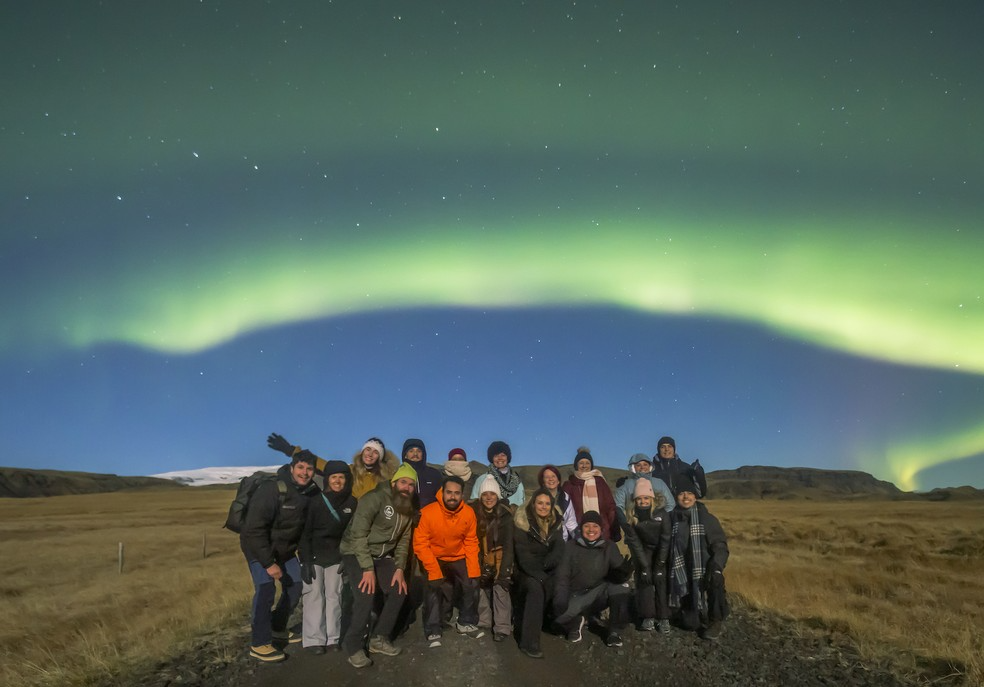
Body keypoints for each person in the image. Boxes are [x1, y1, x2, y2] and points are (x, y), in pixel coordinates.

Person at [240, 450, 320, 662]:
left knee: (296, 585)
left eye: (309, 469)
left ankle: (277, 626)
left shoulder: (308, 494)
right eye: (301, 467)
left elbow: (303, 531)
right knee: (266, 588)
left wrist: (305, 558)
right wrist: (268, 563)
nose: (305, 473)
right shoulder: (272, 490)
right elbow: (253, 530)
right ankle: (259, 643)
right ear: (292, 468)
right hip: (258, 548)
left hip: (285, 551)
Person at [338, 463, 418, 668]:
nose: (406, 487)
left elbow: (403, 543)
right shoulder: (373, 499)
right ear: (394, 483)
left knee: (399, 590)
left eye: (411, 484)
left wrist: (399, 569)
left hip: (381, 556)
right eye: (403, 482)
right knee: (366, 594)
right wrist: (367, 569)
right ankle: (353, 646)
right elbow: (358, 536)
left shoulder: (408, 507)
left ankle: (379, 638)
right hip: (355, 552)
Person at [413, 476, 485, 647]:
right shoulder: (428, 512)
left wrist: (474, 569)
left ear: (462, 495)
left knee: (472, 582)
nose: (452, 496)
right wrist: (433, 569)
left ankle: (465, 622)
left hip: (458, 556)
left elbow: (471, 541)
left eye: (457, 493)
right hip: (434, 556)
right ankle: (433, 629)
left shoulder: (468, 512)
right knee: (433, 586)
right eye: (449, 492)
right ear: (442, 492)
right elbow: (421, 544)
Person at [298, 460, 357, 653]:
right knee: (314, 595)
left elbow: (352, 533)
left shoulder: (352, 502)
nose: (338, 481)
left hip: (338, 556)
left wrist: (347, 558)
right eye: (334, 477)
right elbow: (304, 533)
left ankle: (333, 638)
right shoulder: (315, 501)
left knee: (335, 595)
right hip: (314, 555)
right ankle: (314, 640)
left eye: (342, 477)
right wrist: (305, 560)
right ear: (327, 480)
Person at [553, 511, 633, 648]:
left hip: (598, 592)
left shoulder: (609, 546)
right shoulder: (570, 547)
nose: (591, 530)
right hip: (576, 595)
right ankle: (576, 621)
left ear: (601, 529)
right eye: (587, 526)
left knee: (621, 586)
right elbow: (562, 576)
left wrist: (624, 571)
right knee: (557, 617)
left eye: (595, 526)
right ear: (580, 529)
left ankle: (614, 632)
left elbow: (619, 571)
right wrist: (560, 598)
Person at [669, 476, 730, 640]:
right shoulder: (672, 519)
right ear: (676, 496)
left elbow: (720, 546)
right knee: (690, 624)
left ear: (695, 496)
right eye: (682, 493)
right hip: (685, 575)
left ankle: (716, 618)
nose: (686, 497)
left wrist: (717, 566)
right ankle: (687, 607)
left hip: (705, 570)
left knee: (715, 580)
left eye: (690, 493)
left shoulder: (706, 518)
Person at [512, 488, 565, 659]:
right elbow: (523, 556)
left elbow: (558, 549)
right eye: (540, 503)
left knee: (562, 583)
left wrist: (548, 566)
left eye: (547, 503)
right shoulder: (522, 523)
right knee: (535, 588)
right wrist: (540, 574)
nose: (543, 507)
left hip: (547, 567)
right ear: (533, 504)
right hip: (525, 571)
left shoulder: (556, 523)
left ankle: (553, 622)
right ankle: (529, 642)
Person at [265, 433, 397, 499]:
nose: (370, 454)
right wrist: (291, 450)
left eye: (375, 452)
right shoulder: (350, 470)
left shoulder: (386, 478)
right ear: (362, 452)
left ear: (379, 457)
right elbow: (325, 465)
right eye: (368, 449)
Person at [619, 478, 672, 634]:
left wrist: (660, 564)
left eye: (646, 498)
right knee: (645, 579)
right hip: (643, 552)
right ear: (634, 500)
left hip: (662, 551)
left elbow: (666, 539)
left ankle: (664, 617)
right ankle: (647, 616)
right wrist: (644, 566)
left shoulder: (662, 514)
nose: (643, 501)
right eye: (639, 499)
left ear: (652, 498)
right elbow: (635, 544)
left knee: (660, 579)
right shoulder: (631, 517)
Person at [469, 474, 515, 642]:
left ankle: (502, 626)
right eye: (485, 494)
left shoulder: (506, 516)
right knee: (478, 586)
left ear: (498, 496)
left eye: (492, 494)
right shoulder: (474, 514)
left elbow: (509, 544)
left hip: (501, 555)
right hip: (481, 555)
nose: (489, 498)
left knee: (500, 586)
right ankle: (484, 620)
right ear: (480, 496)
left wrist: (506, 568)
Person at [562, 447, 619, 541]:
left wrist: (615, 531)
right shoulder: (569, 485)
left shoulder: (600, 482)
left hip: (602, 532)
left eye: (587, 463)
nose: (584, 466)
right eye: (581, 463)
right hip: (577, 534)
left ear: (591, 465)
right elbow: (565, 511)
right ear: (576, 465)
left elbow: (610, 507)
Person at [471, 440, 525, 508]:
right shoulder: (482, 479)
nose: (500, 458)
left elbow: (522, 503)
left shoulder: (517, 481)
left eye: (503, 455)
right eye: (496, 455)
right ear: (491, 458)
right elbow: (474, 502)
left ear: (507, 457)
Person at [536, 465, 578, 540]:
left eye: (553, 476)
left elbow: (571, 524)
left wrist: (579, 539)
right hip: (541, 542)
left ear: (558, 480)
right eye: (547, 477)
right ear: (542, 482)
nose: (551, 479)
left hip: (562, 542)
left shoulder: (566, 498)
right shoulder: (536, 499)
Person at [401, 438, 443, 508]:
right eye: (411, 451)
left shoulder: (434, 474)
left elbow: (441, 498)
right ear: (405, 455)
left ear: (423, 454)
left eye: (419, 451)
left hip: (429, 515)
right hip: (406, 515)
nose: (415, 454)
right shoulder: (399, 473)